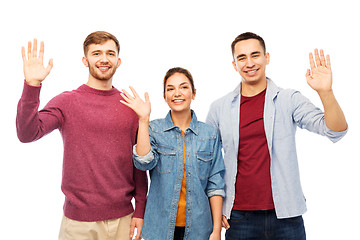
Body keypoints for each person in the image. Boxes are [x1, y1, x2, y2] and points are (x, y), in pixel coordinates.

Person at [206, 32, 348, 240]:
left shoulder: (288, 99)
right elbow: (208, 164)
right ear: (234, 64)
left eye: (255, 55)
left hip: (287, 217)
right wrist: (217, 214)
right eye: (242, 58)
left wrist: (326, 92)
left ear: (267, 58)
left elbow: (336, 130)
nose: (249, 63)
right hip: (238, 217)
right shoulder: (219, 108)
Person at [16, 31, 147, 240]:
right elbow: (27, 133)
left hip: (124, 220)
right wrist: (32, 85)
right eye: (96, 53)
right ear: (85, 60)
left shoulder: (130, 106)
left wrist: (140, 209)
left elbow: (139, 164)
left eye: (110, 53)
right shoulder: (67, 102)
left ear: (118, 60)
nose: (104, 59)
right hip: (78, 224)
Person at [120, 67, 225, 240]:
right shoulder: (153, 129)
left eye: (183, 87)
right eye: (170, 89)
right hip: (160, 229)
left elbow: (215, 185)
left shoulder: (210, 134)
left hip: (200, 230)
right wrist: (143, 120)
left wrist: (216, 231)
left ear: (194, 93)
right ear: (164, 96)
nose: (177, 93)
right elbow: (143, 162)